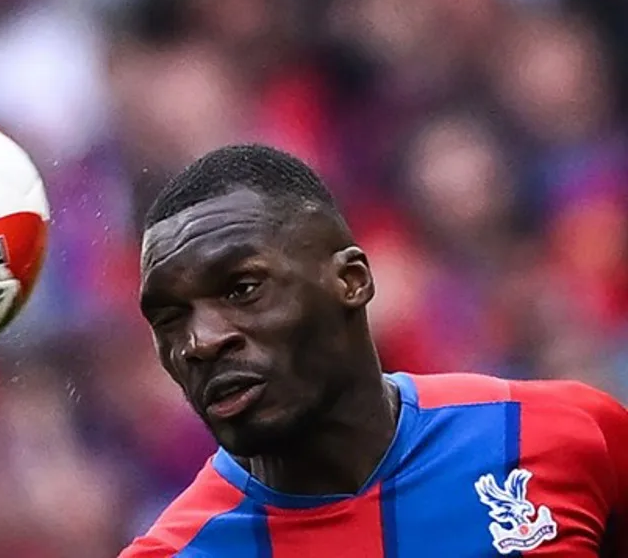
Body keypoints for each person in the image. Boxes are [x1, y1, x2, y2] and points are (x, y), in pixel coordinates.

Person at [119, 144, 628, 557]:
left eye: (243, 289)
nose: (200, 342)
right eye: (168, 318)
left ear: (351, 281)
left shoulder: (561, 434)